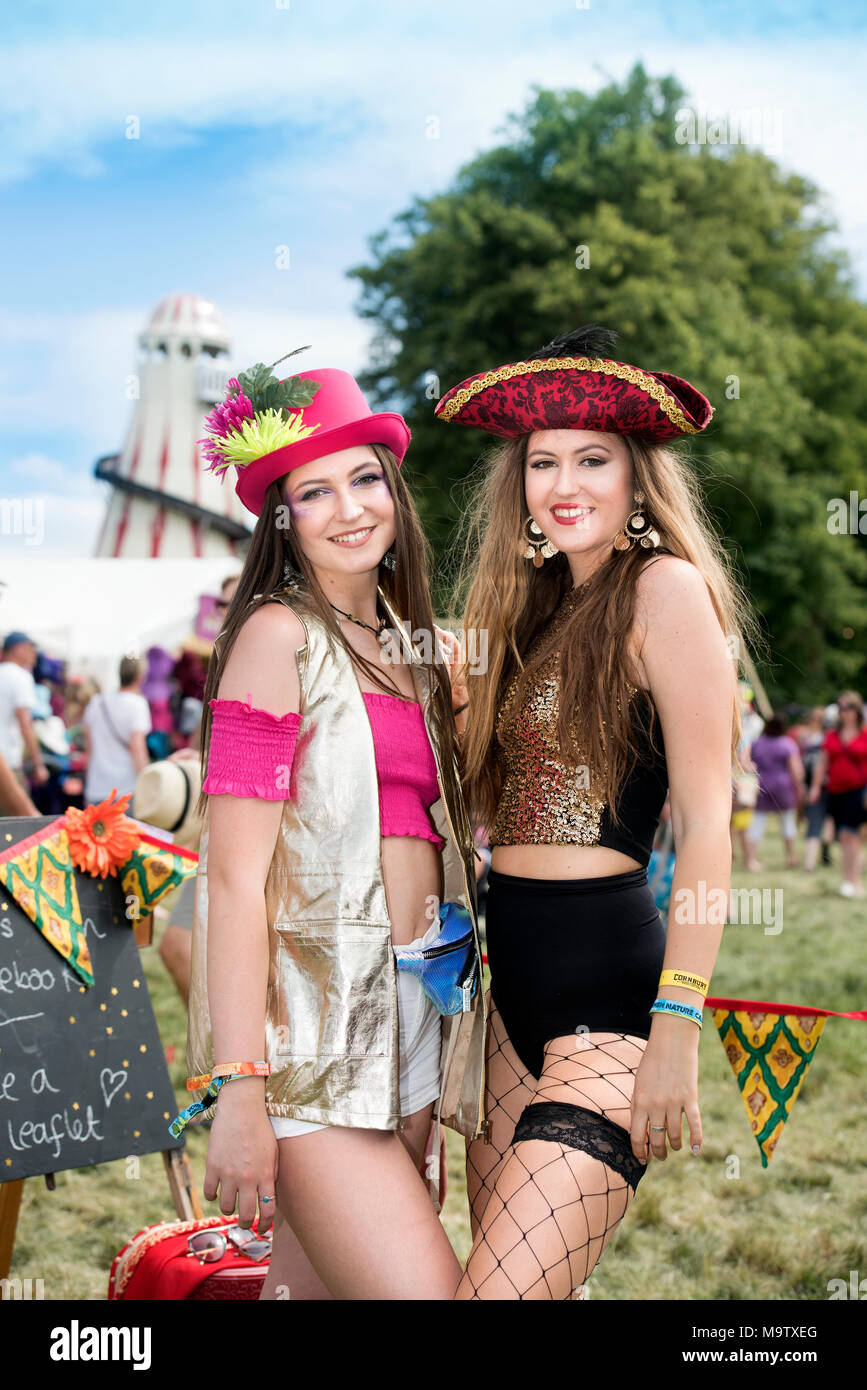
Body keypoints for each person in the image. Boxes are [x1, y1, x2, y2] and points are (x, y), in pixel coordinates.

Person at [437, 324, 751, 1300]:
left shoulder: (665, 591)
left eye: (591, 458)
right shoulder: (526, 611)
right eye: (542, 462)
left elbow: (706, 825)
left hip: (611, 1010)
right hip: (508, 1005)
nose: (563, 483)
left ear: (636, 475)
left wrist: (679, 1026)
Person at [183, 358, 486, 1300]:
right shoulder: (278, 637)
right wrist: (240, 1091)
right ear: (283, 518)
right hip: (308, 1043)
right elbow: (232, 880)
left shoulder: (418, 647)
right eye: (314, 491)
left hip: (415, 1018)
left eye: (364, 478)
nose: (350, 508)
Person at [808, 691, 867, 897]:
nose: (844, 712)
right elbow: (822, 763)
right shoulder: (832, 735)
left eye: (848, 707)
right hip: (835, 790)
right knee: (844, 837)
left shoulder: (864, 733)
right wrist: (815, 787)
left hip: (858, 790)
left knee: (848, 834)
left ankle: (853, 880)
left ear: (856, 710)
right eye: (841, 708)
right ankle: (849, 879)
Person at [82, 655, 152, 803]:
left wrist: (88, 782)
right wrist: (147, 784)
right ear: (140, 678)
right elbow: (137, 748)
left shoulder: (96, 702)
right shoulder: (138, 704)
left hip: (96, 787)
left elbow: (89, 747)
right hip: (125, 789)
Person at [744, 714, 804, 871]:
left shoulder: (758, 743)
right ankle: (790, 856)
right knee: (787, 822)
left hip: (762, 785)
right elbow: (795, 768)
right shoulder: (787, 744)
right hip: (783, 786)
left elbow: (747, 761)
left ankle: (751, 860)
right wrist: (799, 786)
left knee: (757, 821)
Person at [0, 631, 49, 793]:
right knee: (21, 816)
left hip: (5, 759)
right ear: (19, 649)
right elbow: (25, 724)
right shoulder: (21, 677)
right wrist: (38, 764)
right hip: (7, 763)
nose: (34, 654)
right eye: (31, 648)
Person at [798, 705, 834, 871]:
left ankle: (815, 858)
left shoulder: (824, 737)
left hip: (823, 783)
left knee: (823, 821)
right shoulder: (808, 736)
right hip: (816, 783)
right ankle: (813, 860)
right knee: (821, 821)